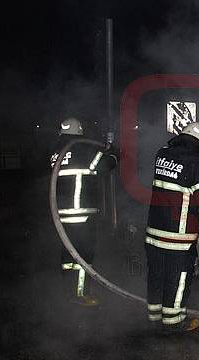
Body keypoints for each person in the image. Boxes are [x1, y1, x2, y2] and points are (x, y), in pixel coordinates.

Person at [145, 122, 199, 332]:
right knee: (178, 278)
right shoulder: (197, 165)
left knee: (156, 274)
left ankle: (154, 315)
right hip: (178, 236)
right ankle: (173, 321)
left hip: (154, 232)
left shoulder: (162, 155)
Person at [50, 117, 117, 306]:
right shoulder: (81, 148)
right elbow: (104, 165)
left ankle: (67, 291)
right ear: (79, 131)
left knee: (68, 254)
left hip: (62, 212)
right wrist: (113, 154)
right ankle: (80, 294)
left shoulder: (56, 151)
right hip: (81, 212)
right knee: (84, 254)